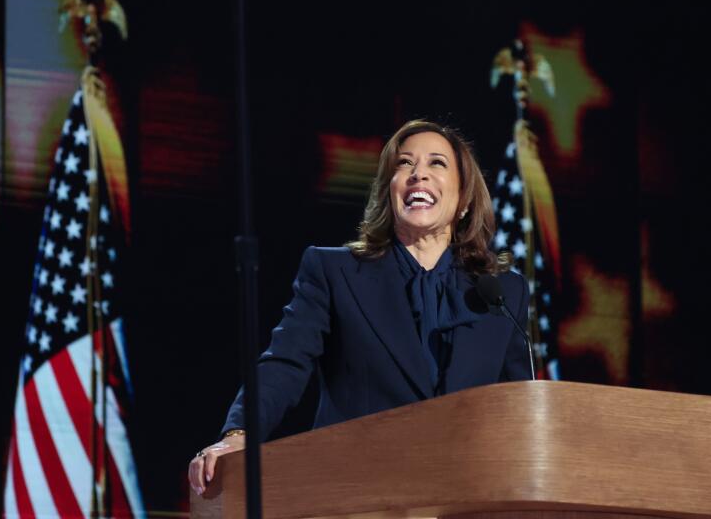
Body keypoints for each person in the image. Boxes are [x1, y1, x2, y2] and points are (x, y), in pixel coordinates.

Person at [188, 119, 532, 495]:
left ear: (464, 199)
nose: (418, 174)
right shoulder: (335, 272)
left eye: (437, 163)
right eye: (404, 164)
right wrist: (240, 433)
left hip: (466, 492)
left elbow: (520, 404)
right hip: (356, 491)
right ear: (389, 192)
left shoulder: (502, 292)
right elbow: (285, 363)